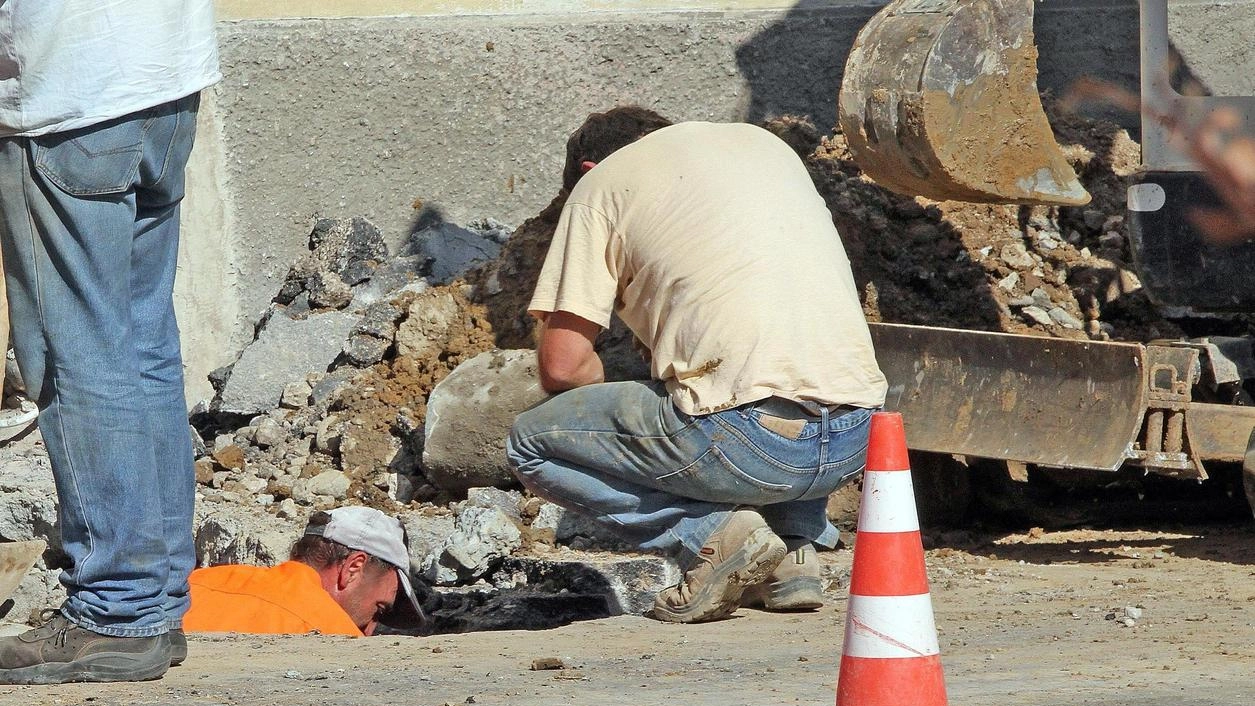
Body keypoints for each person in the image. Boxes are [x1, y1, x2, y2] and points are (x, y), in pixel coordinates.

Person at [506, 106, 888, 624]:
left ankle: (713, 537)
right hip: (856, 439)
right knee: (780, 363)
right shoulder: (765, 149)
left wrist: (608, 397)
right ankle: (792, 554)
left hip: (751, 445)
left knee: (530, 443)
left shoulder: (603, 185)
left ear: (590, 170)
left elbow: (564, 367)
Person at [0, 1, 220, 684]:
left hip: (71, 93)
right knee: (141, 346)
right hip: (163, 83)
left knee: (77, 355)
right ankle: (153, 607)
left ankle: (115, 612)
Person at [183, 507, 425, 637]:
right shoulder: (334, 635)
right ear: (353, 568)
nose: (370, 630)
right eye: (378, 610)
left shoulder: (196, 583)